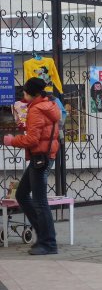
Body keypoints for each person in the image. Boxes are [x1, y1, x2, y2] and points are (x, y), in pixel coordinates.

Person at [3, 77, 61, 255]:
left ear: (32, 93)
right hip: (44, 155)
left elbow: (32, 139)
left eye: (25, 91)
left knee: (40, 201)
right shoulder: (49, 105)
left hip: (40, 157)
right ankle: (45, 233)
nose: (23, 94)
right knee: (21, 194)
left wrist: (10, 140)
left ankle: (48, 242)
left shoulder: (36, 109)